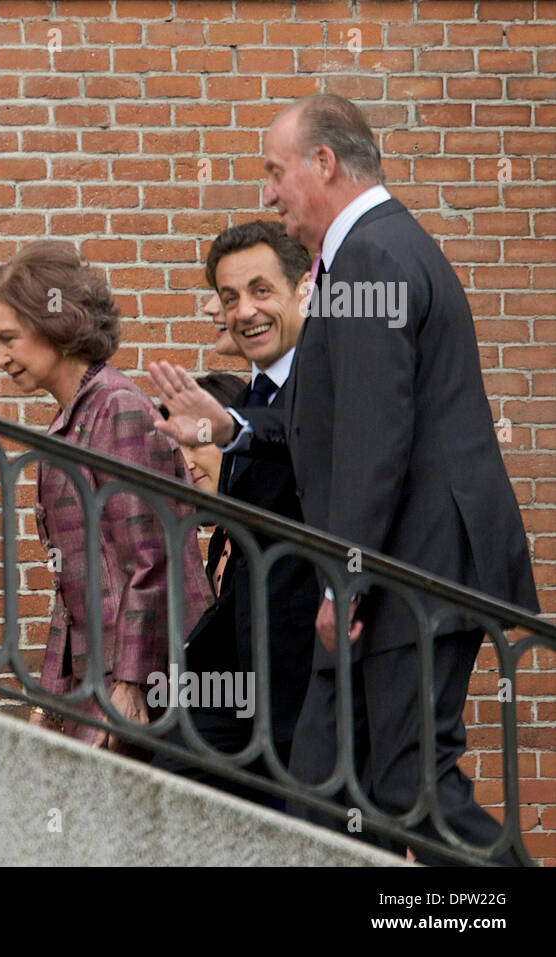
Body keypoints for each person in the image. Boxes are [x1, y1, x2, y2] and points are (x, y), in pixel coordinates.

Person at [149, 94, 539, 864]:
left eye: (275, 170)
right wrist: (233, 428)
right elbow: (329, 414)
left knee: (407, 786)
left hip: (408, 574)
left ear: (323, 162)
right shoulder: (374, 252)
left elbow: (372, 441)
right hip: (398, 571)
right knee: (322, 785)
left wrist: (344, 584)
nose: (268, 193)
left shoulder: (371, 255)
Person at [0, 240, 212, 756]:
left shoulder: (118, 406)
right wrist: (48, 703)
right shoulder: (74, 417)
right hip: (99, 674)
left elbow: (155, 557)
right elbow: (71, 592)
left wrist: (133, 683)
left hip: (145, 677)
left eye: (9, 338)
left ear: (56, 323)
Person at [150, 221, 319, 807]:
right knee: (174, 767)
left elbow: (307, 438)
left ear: (307, 289)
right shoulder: (257, 392)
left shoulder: (333, 381)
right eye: (229, 299)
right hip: (247, 660)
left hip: (318, 661)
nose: (244, 310)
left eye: (261, 290)